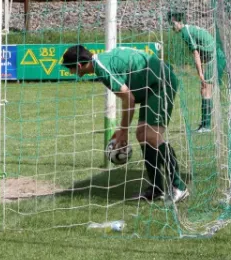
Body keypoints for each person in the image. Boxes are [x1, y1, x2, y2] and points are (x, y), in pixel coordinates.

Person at [61, 45, 189, 202]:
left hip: (161, 83)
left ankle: (179, 186)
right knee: (142, 135)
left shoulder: (102, 68)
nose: (71, 73)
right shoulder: (101, 61)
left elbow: (129, 98)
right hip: (151, 86)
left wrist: (123, 131)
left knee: (151, 136)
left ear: (79, 65)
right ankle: (156, 188)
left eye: (70, 69)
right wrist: (122, 131)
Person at [168, 10, 226, 133]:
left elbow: (196, 54)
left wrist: (200, 73)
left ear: (176, 22)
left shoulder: (185, 32)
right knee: (204, 89)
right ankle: (205, 123)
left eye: (171, 24)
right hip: (216, 57)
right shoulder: (189, 29)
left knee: (206, 90)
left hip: (215, 58)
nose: (171, 27)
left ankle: (206, 126)